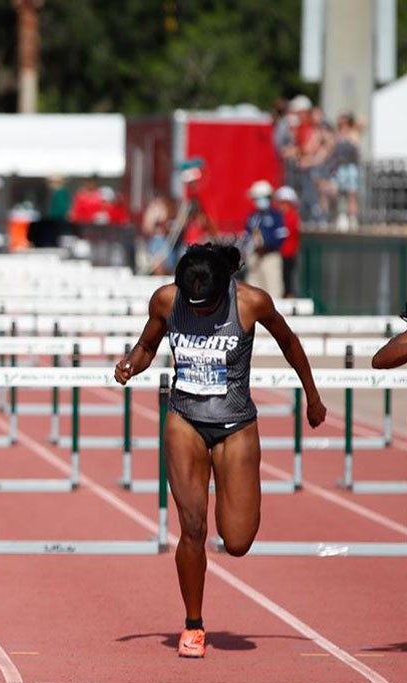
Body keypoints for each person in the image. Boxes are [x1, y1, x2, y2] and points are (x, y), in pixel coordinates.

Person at [114, 243, 326, 659]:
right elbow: (146, 346)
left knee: (238, 541)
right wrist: (130, 364)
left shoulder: (251, 302)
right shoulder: (166, 301)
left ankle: (231, 523)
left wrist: (313, 397)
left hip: (236, 425)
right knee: (192, 528)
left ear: (224, 287)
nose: (202, 314)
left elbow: (289, 341)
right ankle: (193, 625)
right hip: (184, 420)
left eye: (209, 307)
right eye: (195, 308)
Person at [242, 180, 287, 299]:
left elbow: (281, 237)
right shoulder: (253, 216)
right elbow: (246, 234)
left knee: (273, 288)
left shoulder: (275, 215)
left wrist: (266, 244)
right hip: (255, 256)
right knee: (254, 287)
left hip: (270, 256)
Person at [274, 186, 300, 298]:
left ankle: (289, 295)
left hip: (289, 253)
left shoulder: (292, 217)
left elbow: (286, 232)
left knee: (288, 277)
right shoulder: (278, 216)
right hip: (279, 253)